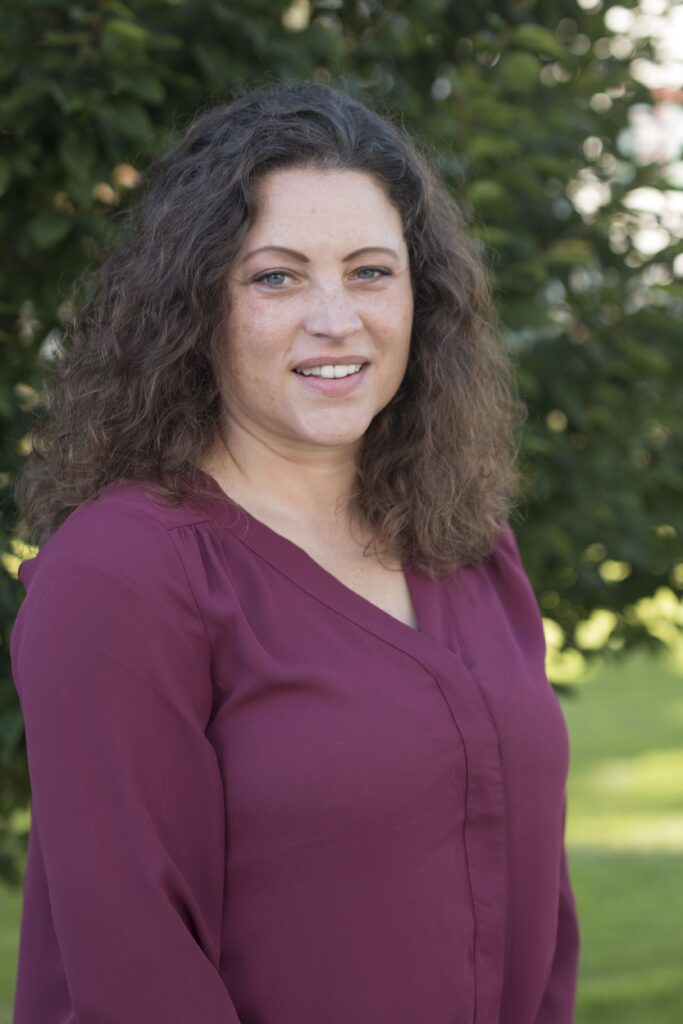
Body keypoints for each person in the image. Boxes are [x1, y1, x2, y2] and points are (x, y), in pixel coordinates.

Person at [10, 81, 579, 1023]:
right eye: (276, 277)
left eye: (370, 271)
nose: (335, 319)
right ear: (197, 305)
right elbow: (137, 972)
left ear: (422, 294)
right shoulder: (123, 576)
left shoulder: (468, 547)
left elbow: (533, 902)